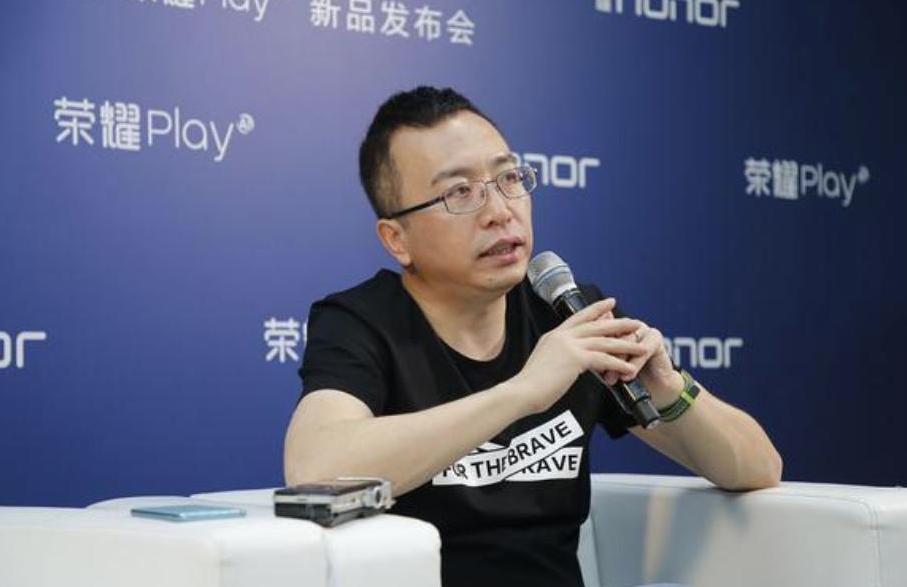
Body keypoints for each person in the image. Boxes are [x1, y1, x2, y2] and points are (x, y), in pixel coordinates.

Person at [283, 86, 782, 587]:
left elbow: (758, 467)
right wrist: (522, 393)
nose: (500, 211)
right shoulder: (363, 321)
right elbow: (316, 466)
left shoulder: (568, 313)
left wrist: (670, 388)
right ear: (397, 240)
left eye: (508, 178)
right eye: (460, 193)